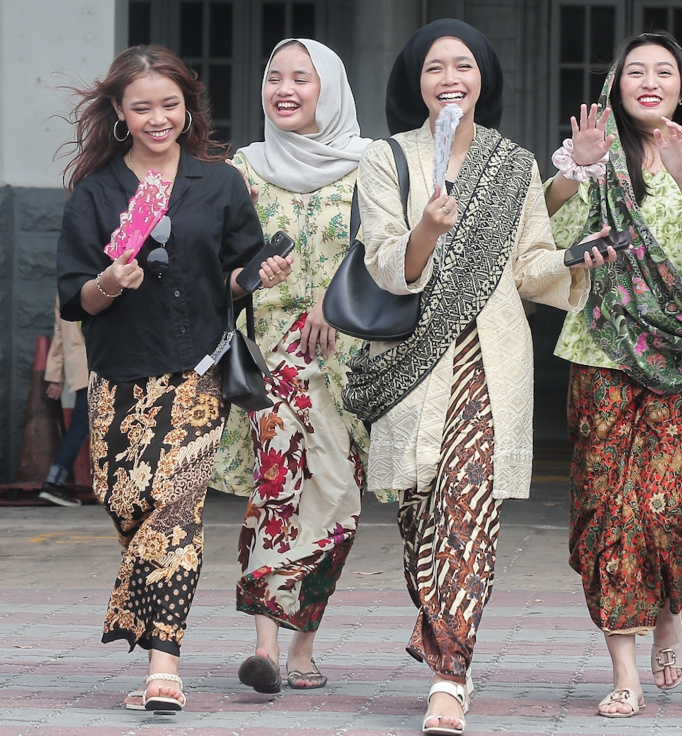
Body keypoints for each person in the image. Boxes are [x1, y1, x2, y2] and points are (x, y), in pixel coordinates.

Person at [342, 19, 607, 736]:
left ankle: (448, 678)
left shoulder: (513, 164)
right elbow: (381, 261)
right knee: (420, 520)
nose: (449, 78)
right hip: (409, 365)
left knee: (468, 511)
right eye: (435, 67)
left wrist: (575, 259)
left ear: (484, 77)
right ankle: (445, 637)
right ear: (415, 81)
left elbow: (529, 268)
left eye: (463, 65)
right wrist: (427, 228)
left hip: (490, 365)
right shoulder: (385, 160)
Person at [56, 45, 292, 713]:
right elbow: (76, 297)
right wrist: (110, 278)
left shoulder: (216, 184)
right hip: (120, 375)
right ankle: (149, 610)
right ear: (120, 115)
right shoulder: (97, 192)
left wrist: (259, 275)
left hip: (198, 372)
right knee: (128, 501)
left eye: (170, 104)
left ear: (187, 108)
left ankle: (165, 666)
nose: (159, 117)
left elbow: (238, 271)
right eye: (143, 107)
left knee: (175, 509)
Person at [544, 32, 682, 718]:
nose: (649, 82)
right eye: (636, 72)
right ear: (616, 84)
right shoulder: (592, 155)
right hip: (599, 347)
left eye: (664, 72)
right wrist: (575, 170)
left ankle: (671, 606)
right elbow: (543, 230)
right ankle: (623, 670)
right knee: (603, 508)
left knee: (660, 505)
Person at [211, 38, 372, 693]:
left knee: (339, 504)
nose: (284, 89)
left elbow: (389, 259)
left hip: (348, 367)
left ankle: (305, 641)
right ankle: (266, 649)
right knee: (275, 496)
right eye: (273, 77)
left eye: (300, 79)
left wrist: (340, 301)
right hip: (272, 360)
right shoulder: (241, 170)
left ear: (327, 89)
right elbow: (214, 270)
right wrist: (250, 277)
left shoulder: (373, 166)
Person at [39, 297, 90, 507]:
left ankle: (54, 481)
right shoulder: (104, 281)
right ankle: (53, 482)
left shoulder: (66, 289)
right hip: (101, 364)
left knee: (81, 425)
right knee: (84, 426)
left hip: (80, 367)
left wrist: (55, 375)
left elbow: (60, 335)